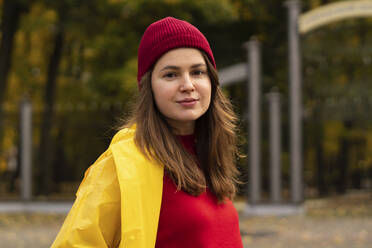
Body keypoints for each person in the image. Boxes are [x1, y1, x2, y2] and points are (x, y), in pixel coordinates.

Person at [52, 17, 243, 248]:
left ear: (211, 81)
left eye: (197, 72)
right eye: (171, 74)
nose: (188, 84)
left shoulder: (210, 155)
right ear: (148, 87)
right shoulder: (122, 164)